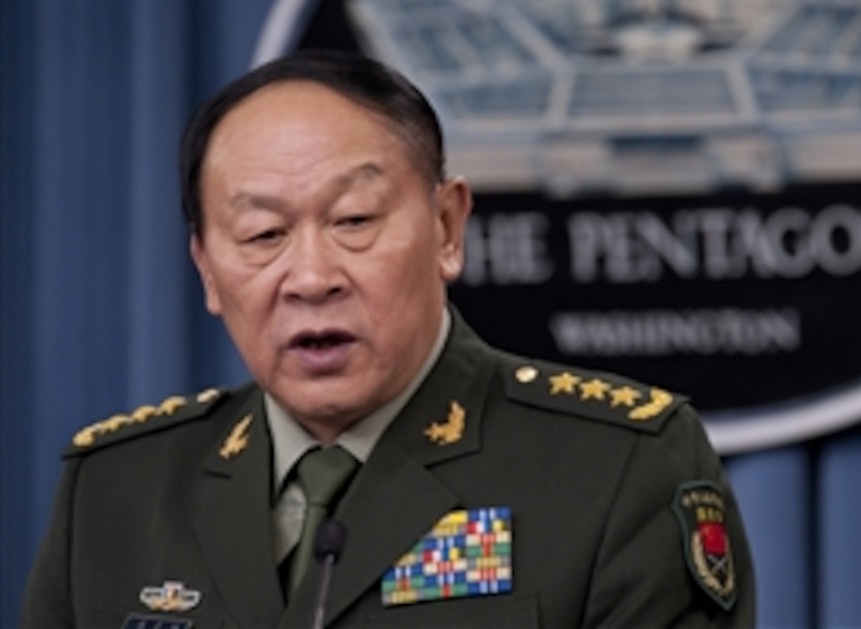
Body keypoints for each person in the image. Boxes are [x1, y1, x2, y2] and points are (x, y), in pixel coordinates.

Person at [22, 50, 756, 628]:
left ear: (446, 227)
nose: (311, 275)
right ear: (207, 270)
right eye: (263, 234)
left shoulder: (616, 467)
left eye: (355, 220)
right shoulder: (119, 489)